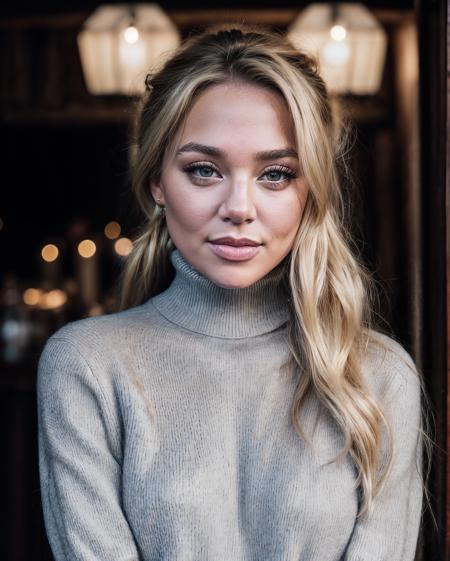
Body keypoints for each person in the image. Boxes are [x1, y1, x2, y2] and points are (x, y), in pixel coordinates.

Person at [37, 24, 433, 561]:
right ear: (156, 181)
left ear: (308, 189)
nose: (240, 207)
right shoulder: (86, 366)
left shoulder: (378, 377)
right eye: (204, 170)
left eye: (275, 174)